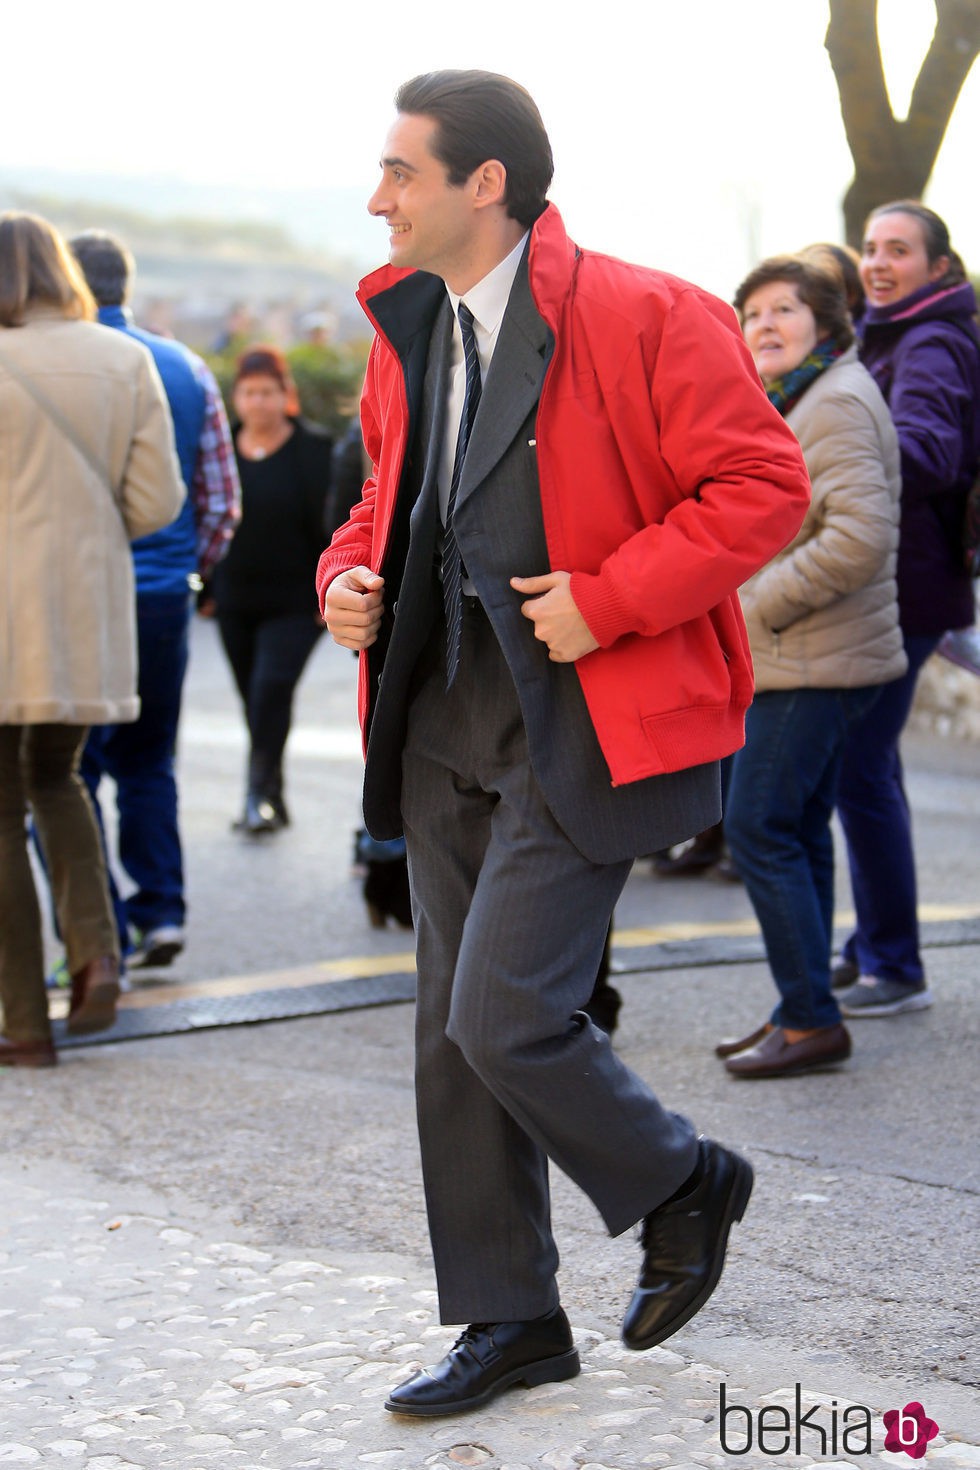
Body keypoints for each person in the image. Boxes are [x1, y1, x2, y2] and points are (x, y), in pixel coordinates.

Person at [319, 70, 810, 1417]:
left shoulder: (653, 312)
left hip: (576, 725)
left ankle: (682, 1178)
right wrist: (343, 577)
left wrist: (613, 596)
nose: (379, 198)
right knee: (447, 1033)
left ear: (486, 183)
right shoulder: (403, 322)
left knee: (505, 1014)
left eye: (401, 172)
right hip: (432, 720)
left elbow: (764, 488)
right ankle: (512, 1316)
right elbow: (382, 497)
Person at [0, 212, 184, 1064]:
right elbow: (157, 503)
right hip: (85, 612)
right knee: (58, 776)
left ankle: (24, 1026)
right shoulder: (126, 359)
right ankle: (97, 954)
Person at [718, 256, 906, 1080]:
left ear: (823, 321)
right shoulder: (807, 396)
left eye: (783, 309)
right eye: (752, 311)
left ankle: (809, 1019)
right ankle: (804, 1000)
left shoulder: (833, 404)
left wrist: (758, 603)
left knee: (757, 826)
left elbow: (860, 536)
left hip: (812, 659)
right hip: (816, 658)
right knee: (796, 828)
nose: (764, 324)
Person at [67, 231, 242, 973]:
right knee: (149, 762)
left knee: (65, 774)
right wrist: (183, 570)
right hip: (163, 597)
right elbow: (222, 502)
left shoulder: (44, 363)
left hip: (73, 597)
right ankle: (161, 910)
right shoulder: (186, 366)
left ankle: (99, 930)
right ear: (127, 284)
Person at [834, 202, 980, 1017]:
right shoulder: (890, 330)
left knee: (861, 768)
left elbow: (927, 452)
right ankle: (874, 949)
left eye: (899, 250)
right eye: (872, 248)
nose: (880, 262)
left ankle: (893, 962)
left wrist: (836, 460)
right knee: (866, 768)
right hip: (900, 582)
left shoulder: (929, 340)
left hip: (912, 588)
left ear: (937, 265)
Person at [212, 347, 332, 834]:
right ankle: (273, 796)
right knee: (254, 700)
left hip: (295, 602)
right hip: (235, 599)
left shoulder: (314, 450)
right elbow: (210, 515)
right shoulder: (223, 448)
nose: (257, 402)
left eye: (268, 392)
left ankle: (255, 796)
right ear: (236, 398)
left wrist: (330, 586)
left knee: (270, 689)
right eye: (248, 392)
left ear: (287, 396)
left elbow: (335, 523)